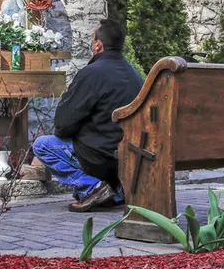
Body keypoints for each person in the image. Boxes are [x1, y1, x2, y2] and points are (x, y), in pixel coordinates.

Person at [33, 19, 144, 212]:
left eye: (93, 40)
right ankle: (115, 192)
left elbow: (63, 122)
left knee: (42, 145)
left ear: (98, 45)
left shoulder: (92, 73)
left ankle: (93, 187)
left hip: (101, 156)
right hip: (129, 154)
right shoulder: (133, 73)